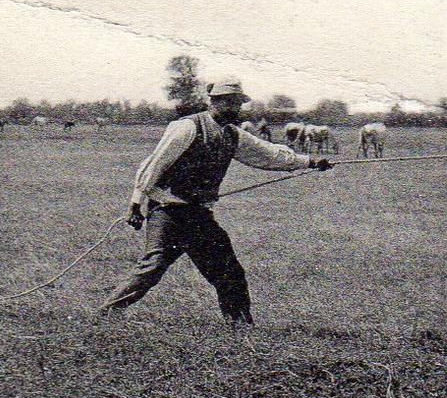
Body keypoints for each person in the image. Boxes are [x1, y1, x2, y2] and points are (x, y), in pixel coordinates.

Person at [101, 78, 332, 323]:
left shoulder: (233, 135)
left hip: (198, 213)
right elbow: (152, 165)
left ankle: (240, 323)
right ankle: (107, 312)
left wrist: (310, 162)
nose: (235, 108)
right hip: (169, 209)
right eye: (229, 102)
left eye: (238, 103)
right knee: (154, 265)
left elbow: (269, 154)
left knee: (228, 269)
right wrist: (135, 204)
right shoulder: (187, 128)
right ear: (214, 102)